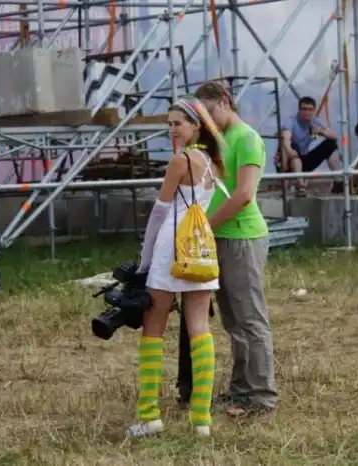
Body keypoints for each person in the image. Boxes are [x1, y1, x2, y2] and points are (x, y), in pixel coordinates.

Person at [129, 96, 225, 438]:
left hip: (171, 248)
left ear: (195, 126)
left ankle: (149, 415)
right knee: (200, 328)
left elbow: (159, 212)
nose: (172, 130)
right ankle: (201, 419)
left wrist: (144, 260)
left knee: (153, 327)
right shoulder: (213, 163)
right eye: (169, 124)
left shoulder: (180, 161)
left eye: (178, 124)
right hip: (200, 249)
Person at [194, 81, 277, 417]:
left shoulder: (247, 138)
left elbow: (244, 194)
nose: (206, 119)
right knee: (232, 319)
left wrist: (205, 227)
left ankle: (261, 395)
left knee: (250, 318)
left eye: (209, 111)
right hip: (219, 237)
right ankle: (241, 390)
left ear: (225, 101)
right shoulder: (219, 140)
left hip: (242, 237)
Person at [277, 96, 343, 196]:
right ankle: (300, 184)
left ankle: (339, 181)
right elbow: (285, 140)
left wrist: (321, 132)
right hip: (288, 161)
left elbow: (334, 136)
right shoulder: (291, 121)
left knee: (330, 144)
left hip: (304, 160)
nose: (306, 112)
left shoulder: (314, 121)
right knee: (292, 146)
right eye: (304, 109)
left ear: (314, 110)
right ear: (299, 110)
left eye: (310, 109)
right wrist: (290, 151)